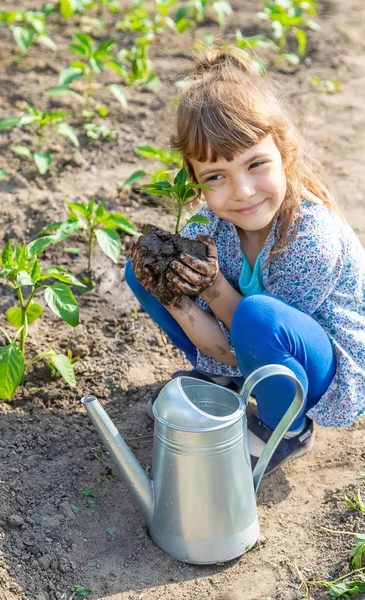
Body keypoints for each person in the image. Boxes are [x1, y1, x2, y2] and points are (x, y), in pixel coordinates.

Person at [125, 46, 365, 475]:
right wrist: (173, 294)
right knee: (151, 267)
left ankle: (286, 427)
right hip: (249, 343)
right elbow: (225, 343)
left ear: (285, 156)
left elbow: (246, 341)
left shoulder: (310, 240)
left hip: (321, 366)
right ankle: (227, 383)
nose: (243, 192)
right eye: (216, 176)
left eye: (256, 165)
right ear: (194, 179)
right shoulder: (211, 227)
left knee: (257, 316)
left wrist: (213, 288)